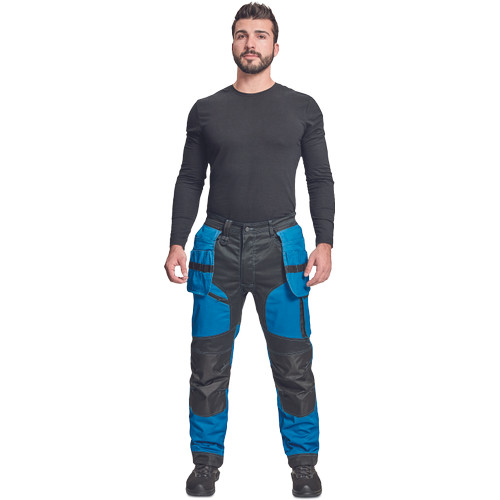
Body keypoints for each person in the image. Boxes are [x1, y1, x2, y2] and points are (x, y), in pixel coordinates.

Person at [164, 2, 334, 496]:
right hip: (215, 247)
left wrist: (325, 241)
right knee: (207, 365)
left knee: (293, 364)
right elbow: (190, 178)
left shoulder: (303, 107)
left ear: (276, 46)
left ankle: (303, 466)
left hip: (283, 247)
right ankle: (205, 464)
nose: (251, 43)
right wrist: (176, 241)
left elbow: (320, 178)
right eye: (242, 34)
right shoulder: (206, 109)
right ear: (232, 43)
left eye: (260, 35)